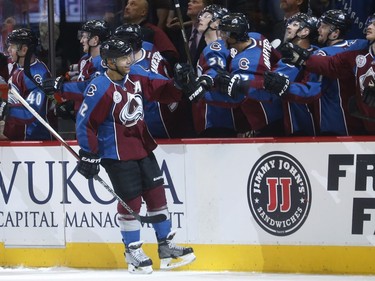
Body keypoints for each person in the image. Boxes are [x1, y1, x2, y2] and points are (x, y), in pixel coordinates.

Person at [75, 36, 195, 274]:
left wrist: (179, 83)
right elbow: (85, 123)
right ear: (109, 62)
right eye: (122, 57)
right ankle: (132, 250)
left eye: (129, 55)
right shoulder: (99, 87)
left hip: (142, 147)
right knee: (131, 202)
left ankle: (166, 245)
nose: (128, 60)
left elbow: (162, 89)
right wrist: (89, 154)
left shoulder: (137, 76)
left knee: (157, 195)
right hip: (116, 154)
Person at [280, 12, 375, 135]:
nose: (368, 26)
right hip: (363, 126)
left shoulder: (325, 52)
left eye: (323, 26)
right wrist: (304, 59)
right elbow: (331, 64)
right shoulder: (358, 49)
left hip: (335, 124)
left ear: (335, 33)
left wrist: (285, 87)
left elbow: (311, 90)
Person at [206, 12, 283, 137]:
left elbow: (243, 94)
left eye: (224, 33)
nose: (221, 37)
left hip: (267, 119)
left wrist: (212, 91)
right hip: (280, 106)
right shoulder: (257, 37)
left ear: (234, 35)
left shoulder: (242, 63)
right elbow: (278, 59)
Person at [193, 4, 246, 137]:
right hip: (230, 117)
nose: (200, 18)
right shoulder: (225, 47)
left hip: (216, 118)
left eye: (206, 16)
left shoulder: (215, 47)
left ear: (217, 23)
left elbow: (215, 74)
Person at [42, 19, 111, 119]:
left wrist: (62, 88)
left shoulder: (103, 63)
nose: (81, 40)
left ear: (95, 40)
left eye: (84, 36)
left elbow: (92, 88)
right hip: (82, 115)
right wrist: (71, 103)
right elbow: (81, 80)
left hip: (97, 118)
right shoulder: (84, 59)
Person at [266, 13, 320, 136]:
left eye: (295, 24)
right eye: (289, 23)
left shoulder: (317, 56)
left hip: (304, 125)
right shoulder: (286, 56)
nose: (288, 27)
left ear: (305, 32)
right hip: (289, 121)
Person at [0, 28, 57, 141]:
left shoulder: (37, 75)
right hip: (21, 136)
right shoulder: (20, 67)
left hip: (36, 139)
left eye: (12, 46)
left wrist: (4, 109)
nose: (9, 50)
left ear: (24, 50)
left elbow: (32, 113)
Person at [123, 0, 179, 67]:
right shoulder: (121, 31)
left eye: (133, 4)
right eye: (127, 4)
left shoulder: (154, 31)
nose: (127, 7)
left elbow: (171, 55)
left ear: (143, 12)